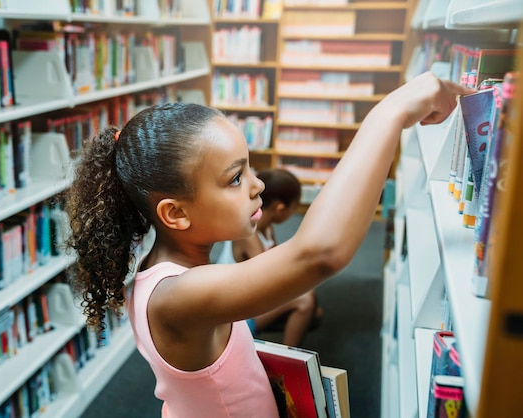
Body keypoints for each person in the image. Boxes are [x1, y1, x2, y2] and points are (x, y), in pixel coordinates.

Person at [65, 72, 472, 418]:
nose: (258, 185)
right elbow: (318, 253)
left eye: (250, 168)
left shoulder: (176, 274)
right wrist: (392, 111)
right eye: (235, 178)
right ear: (176, 214)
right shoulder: (176, 296)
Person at [215, 167, 323, 347]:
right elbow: (269, 278)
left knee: (313, 310)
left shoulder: (265, 226)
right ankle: (289, 363)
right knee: (305, 301)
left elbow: (277, 265)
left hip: (248, 298)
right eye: (294, 208)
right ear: (279, 208)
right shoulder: (248, 234)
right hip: (233, 316)